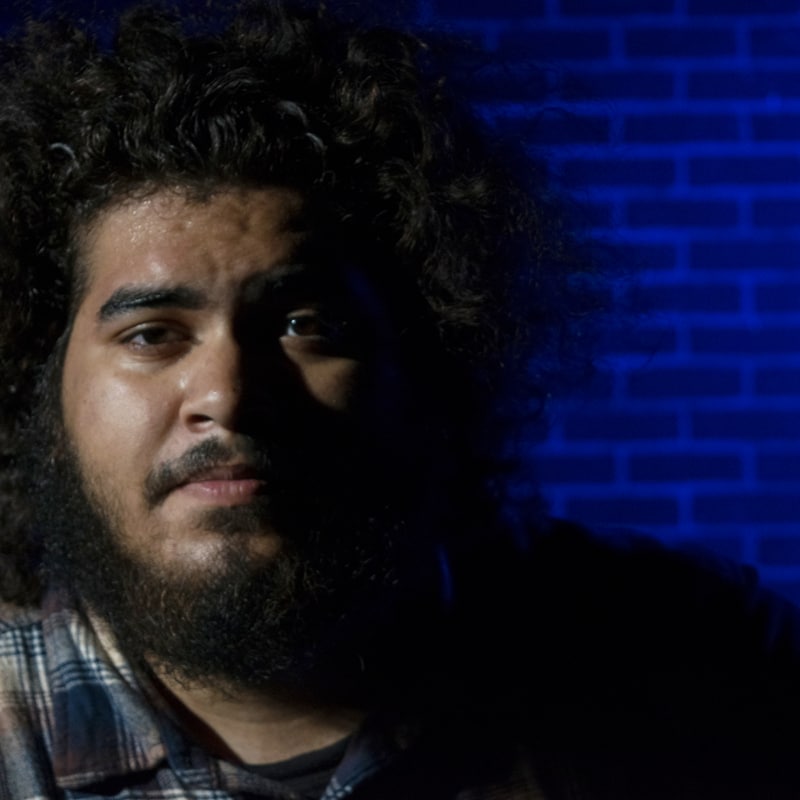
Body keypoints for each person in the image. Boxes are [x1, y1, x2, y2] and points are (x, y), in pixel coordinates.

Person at [0, 2, 798, 798]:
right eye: (151, 334)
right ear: (42, 382)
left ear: (429, 356)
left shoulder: (699, 665)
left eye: (304, 325)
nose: (228, 395)